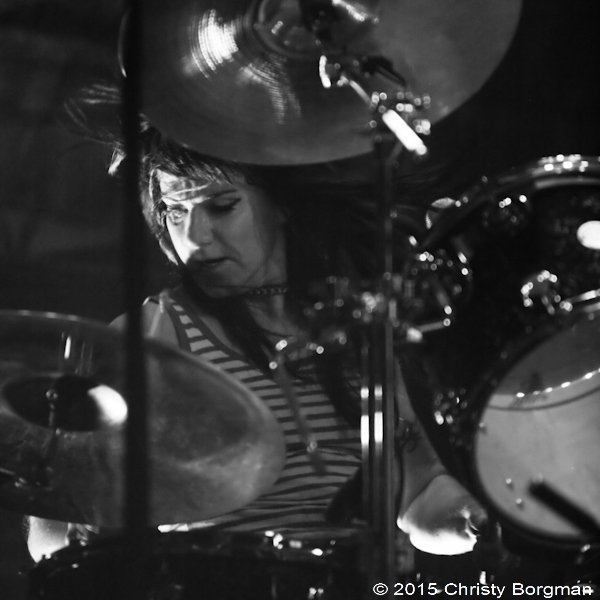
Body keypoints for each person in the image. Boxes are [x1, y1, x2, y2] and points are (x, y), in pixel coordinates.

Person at [27, 115, 489, 568]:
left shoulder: (359, 324)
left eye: (222, 206)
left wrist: (473, 521)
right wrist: (86, 524)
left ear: (282, 202)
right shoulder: (150, 337)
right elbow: (51, 528)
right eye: (175, 211)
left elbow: (417, 493)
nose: (195, 237)